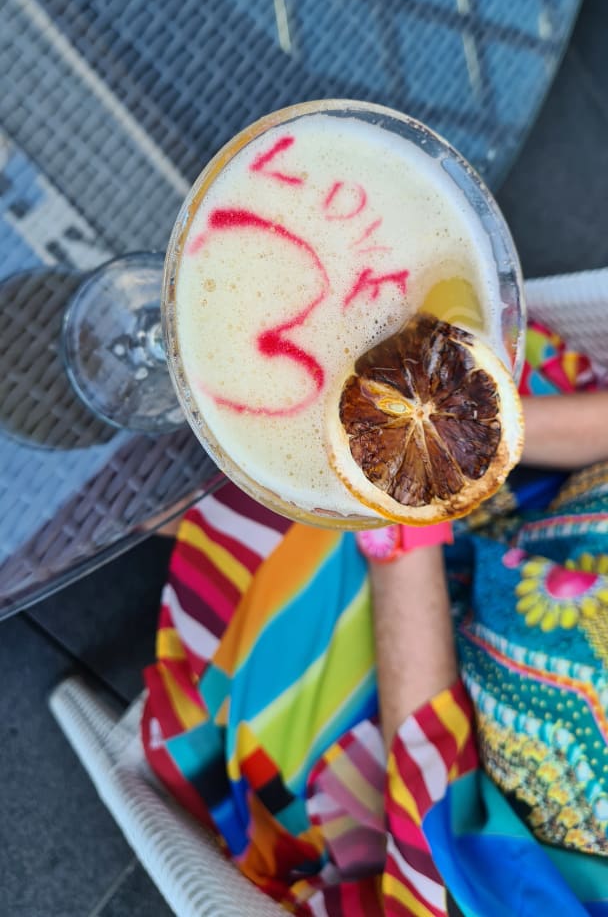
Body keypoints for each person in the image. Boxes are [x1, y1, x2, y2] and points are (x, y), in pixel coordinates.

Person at [143, 322, 608, 915]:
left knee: (277, 492)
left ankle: (141, 477)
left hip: (401, 699)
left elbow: (435, 798)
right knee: (381, 341)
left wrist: (403, 503)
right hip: (531, 479)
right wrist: (466, 430)